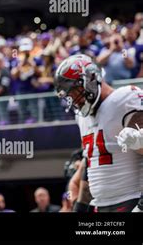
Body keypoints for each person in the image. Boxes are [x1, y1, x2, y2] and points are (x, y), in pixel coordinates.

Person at [54, 54, 143, 212]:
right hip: (99, 205)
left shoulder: (125, 99)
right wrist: (80, 207)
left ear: (92, 78)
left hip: (130, 200)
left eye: (75, 90)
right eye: (69, 95)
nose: (74, 99)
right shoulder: (82, 117)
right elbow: (91, 165)